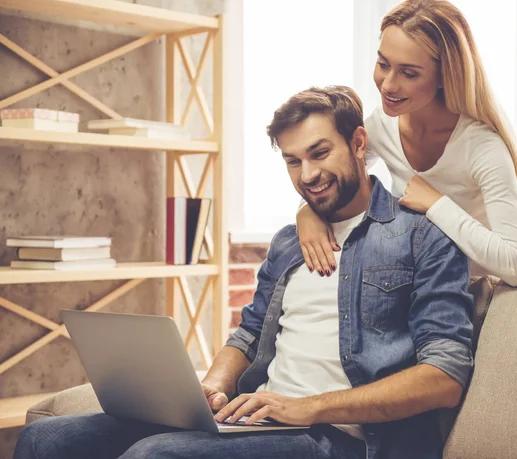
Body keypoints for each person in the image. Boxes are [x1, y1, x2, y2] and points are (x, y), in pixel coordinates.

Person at [14, 86, 474, 459]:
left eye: (319, 153)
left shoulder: (421, 237)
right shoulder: (290, 241)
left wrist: (307, 408)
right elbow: (248, 333)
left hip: (342, 438)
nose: (308, 174)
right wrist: (212, 386)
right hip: (260, 421)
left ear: (358, 143)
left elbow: (445, 377)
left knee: (155, 455)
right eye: (293, 161)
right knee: (46, 440)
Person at [296, 0, 517, 287]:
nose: (387, 84)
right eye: (383, 64)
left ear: (445, 76)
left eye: (409, 73)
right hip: (457, 286)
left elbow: (516, 265)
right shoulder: (380, 127)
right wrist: (306, 212)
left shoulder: (482, 146)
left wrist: (436, 204)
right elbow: (337, 173)